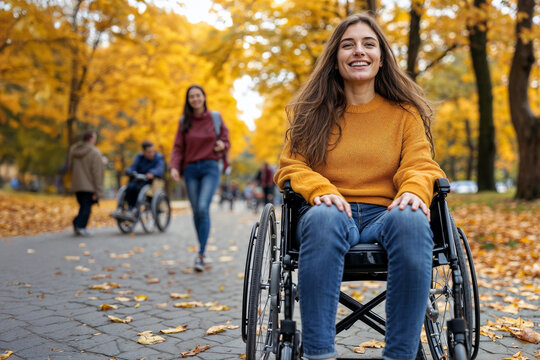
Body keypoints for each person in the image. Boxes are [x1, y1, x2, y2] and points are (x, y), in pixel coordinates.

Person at [274, 14, 445, 360]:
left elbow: (420, 163)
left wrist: (413, 189)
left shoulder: (404, 114)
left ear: (382, 58)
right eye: (348, 44)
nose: (359, 51)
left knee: (413, 220)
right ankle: (319, 353)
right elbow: (292, 166)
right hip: (331, 212)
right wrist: (321, 188)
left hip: (388, 213)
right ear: (335, 60)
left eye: (369, 44)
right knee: (324, 218)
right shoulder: (313, 114)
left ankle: (400, 355)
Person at [170, 84, 230, 272]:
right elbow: (178, 147)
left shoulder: (215, 118)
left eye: (198, 95)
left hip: (210, 167)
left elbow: (227, 141)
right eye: (191, 97)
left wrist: (222, 145)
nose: (195, 99)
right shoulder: (184, 121)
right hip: (190, 170)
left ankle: (201, 254)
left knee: (203, 207)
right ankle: (201, 246)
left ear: (204, 97)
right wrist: (174, 166)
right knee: (196, 211)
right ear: (188, 100)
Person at [68, 130, 105, 237]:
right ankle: (80, 225)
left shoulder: (73, 150)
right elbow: (97, 173)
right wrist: (98, 190)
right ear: (91, 139)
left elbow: (70, 167)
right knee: (87, 207)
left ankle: (78, 225)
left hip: (77, 184)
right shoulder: (95, 152)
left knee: (83, 205)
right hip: (89, 186)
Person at [121, 141, 165, 217]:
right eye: (149, 152)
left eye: (152, 151)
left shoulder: (158, 157)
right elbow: (133, 167)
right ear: (143, 152)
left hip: (151, 182)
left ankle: (135, 208)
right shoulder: (139, 157)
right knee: (130, 187)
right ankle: (130, 207)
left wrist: (152, 173)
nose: (152, 154)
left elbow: (159, 169)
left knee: (139, 188)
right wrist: (129, 171)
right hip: (139, 179)